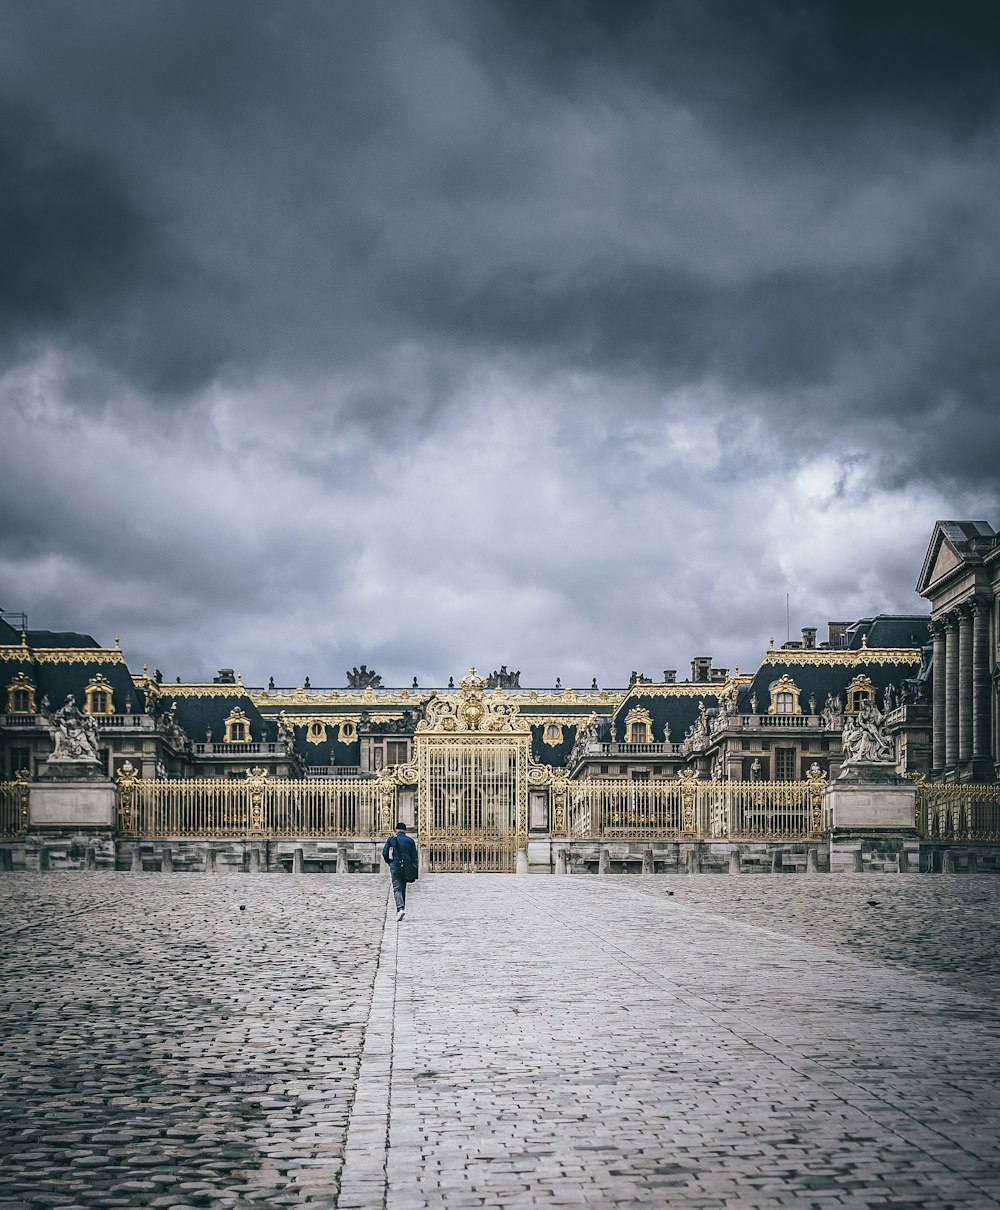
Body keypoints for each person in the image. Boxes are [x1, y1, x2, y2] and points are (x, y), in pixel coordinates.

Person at [382, 822, 418, 921]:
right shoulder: (410, 841)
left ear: (395, 830)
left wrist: (390, 862)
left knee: (397, 888)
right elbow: (414, 857)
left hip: (395, 866)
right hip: (406, 867)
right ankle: (401, 908)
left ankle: (400, 909)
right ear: (405, 830)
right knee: (403, 888)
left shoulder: (391, 839)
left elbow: (385, 853)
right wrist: (415, 868)